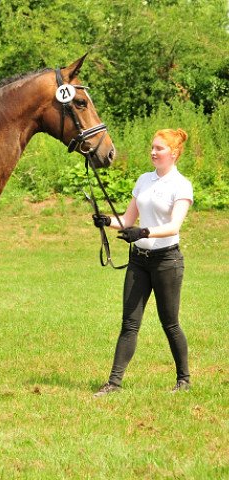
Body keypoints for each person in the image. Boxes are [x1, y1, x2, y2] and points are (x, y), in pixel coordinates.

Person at [92, 128, 193, 396]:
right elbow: (127, 221)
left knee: (170, 323)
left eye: (159, 148)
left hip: (166, 261)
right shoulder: (144, 180)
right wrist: (106, 221)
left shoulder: (181, 185)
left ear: (173, 153)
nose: (153, 152)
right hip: (139, 260)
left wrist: (144, 232)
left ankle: (184, 379)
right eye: (152, 147)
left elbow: (173, 226)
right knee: (129, 323)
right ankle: (113, 383)